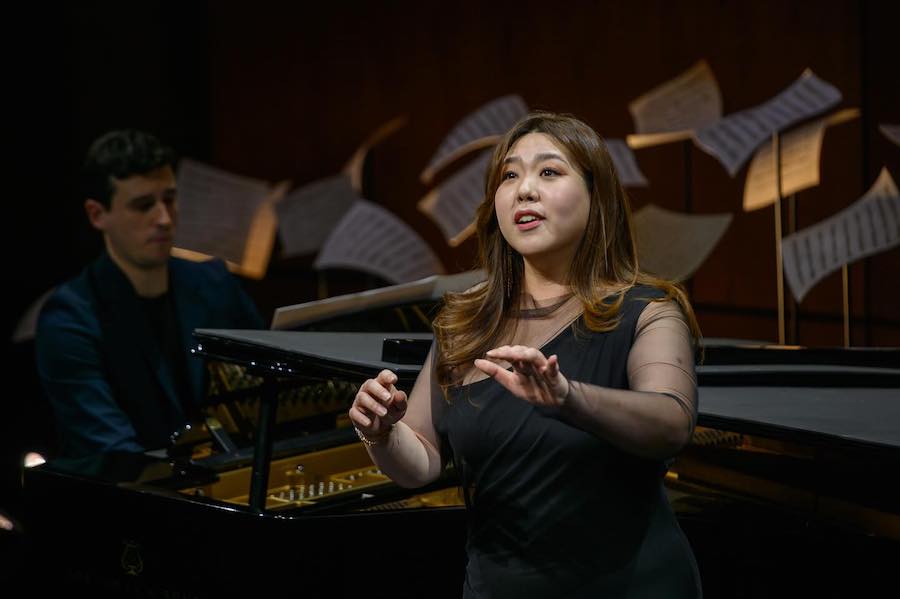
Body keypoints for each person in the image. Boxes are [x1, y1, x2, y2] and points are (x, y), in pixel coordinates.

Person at [349, 112, 703, 598]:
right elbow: (423, 461)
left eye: (549, 172)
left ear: (596, 197)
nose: (524, 190)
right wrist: (382, 433)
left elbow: (672, 422)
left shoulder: (645, 312)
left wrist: (569, 399)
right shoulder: (463, 324)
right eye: (509, 175)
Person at [35, 130, 264, 459]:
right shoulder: (69, 320)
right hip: (128, 500)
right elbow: (111, 451)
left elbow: (270, 387)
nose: (164, 218)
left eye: (169, 198)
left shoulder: (214, 282)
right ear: (97, 215)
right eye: (143, 205)